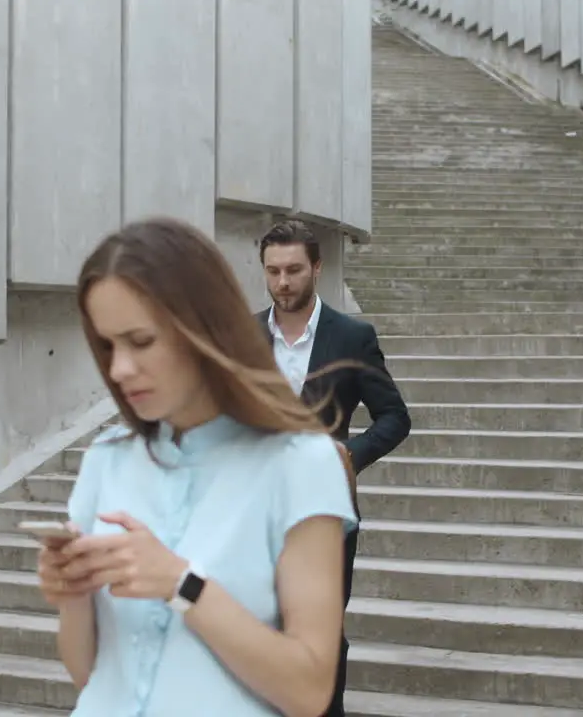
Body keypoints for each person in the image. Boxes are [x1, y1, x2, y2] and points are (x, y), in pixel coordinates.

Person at [35, 217, 359, 717]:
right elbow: (89, 676)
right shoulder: (107, 459)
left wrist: (182, 584)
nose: (119, 368)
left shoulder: (300, 465)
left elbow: (310, 690)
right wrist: (74, 597)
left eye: (140, 341)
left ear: (205, 328)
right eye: (107, 346)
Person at [256, 220, 411, 717]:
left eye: (294, 270)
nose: (283, 282)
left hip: (324, 515)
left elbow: (395, 418)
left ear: (317, 268)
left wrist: (351, 455)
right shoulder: (244, 335)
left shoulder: (352, 337)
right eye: (273, 271)